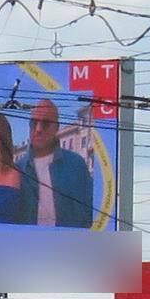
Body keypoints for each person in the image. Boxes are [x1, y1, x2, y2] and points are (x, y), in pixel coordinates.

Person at [20, 97, 99, 230]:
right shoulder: (18, 168)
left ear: (56, 127)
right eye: (34, 123)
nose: (38, 129)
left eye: (45, 124)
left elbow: (92, 212)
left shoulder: (76, 165)